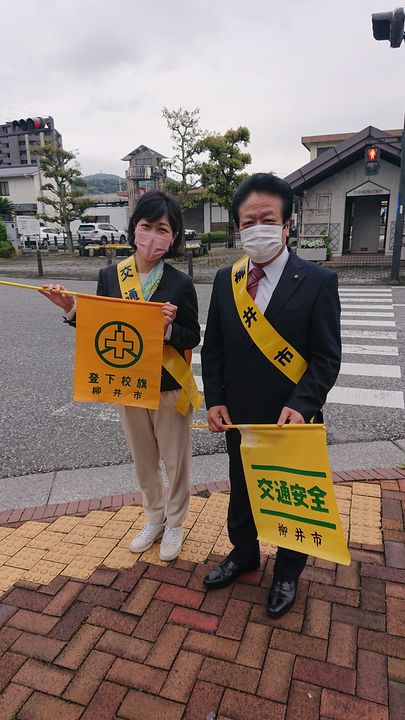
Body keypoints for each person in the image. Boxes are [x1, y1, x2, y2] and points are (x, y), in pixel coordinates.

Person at [201, 173, 341, 617]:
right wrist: (214, 399)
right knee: (241, 489)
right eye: (248, 221)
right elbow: (215, 347)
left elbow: (326, 358)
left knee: (290, 496)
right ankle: (243, 555)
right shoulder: (226, 279)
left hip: (291, 419)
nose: (256, 228)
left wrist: (302, 406)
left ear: (287, 224)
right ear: (238, 227)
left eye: (267, 219)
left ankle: (286, 574)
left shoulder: (318, 281)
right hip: (240, 416)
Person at [42, 191, 200, 561]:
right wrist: (71, 309)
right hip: (127, 385)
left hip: (168, 387)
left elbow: (192, 335)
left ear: (173, 237)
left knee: (176, 461)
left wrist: (167, 330)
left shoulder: (180, 284)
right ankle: (154, 518)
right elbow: (99, 328)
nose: (153, 235)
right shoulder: (109, 276)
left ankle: (176, 522)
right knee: (143, 460)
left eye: (163, 229)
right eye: (147, 226)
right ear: (133, 229)